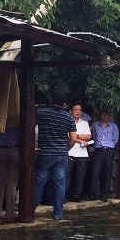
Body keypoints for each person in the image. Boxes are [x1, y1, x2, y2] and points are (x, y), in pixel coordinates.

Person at [34, 92, 76, 220]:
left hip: (45, 152)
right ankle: (58, 214)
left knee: (39, 182)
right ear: (64, 104)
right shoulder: (68, 118)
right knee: (60, 184)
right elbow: (73, 138)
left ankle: (30, 210)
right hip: (61, 154)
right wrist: (66, 148)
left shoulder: (41, 113)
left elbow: (31, 127)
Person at [88, 109, 119, 201]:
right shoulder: (95, 125)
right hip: (98, 150)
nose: (105, 117)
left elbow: (115, 139)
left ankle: (104, 195)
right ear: (100, 116)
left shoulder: (113, 126)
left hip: (109, 150)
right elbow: (91, 135)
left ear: (109, 116)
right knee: (95, 172)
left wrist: (110, 147)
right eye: (103, 115)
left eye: (107, 115)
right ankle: (93, 194)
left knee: (107, 172)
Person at [0, 123, 20, 217]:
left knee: (0, 181)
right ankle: (10, 211)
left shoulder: (0, 115)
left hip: (1, 148)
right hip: (15, 149)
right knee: (12, 182)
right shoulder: (18, 116)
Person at [67, 103, 91, 201]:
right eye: (76, 109)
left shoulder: (84, 123)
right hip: (70, 152)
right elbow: (68, 137)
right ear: (71, 111)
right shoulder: (67, 121)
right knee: (67, 176)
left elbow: (89, 136)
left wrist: (76, 136)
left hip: (82, 154)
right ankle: (65, 196)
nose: (78, 112)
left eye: (79, 110)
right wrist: (81, 139)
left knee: (80, 177)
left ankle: (76, 197)